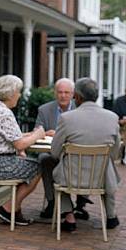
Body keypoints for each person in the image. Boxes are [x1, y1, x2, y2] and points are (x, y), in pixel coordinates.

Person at [51, 77, 120, 232]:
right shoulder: (112, 117)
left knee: (54, 171)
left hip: (71, 178)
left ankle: (69, 217)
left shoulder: (66, 118)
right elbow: (115, 154)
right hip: (100, 178)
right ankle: (111, 216)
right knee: (108, 167)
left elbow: (54, 152)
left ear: (78, 96)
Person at [0, 75, 45, 225]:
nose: (19, 95)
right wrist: (38, 134)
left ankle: (15, 209)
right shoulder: (4, 113)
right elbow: (20, 144)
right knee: (39, 168)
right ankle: (8, 209)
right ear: (11, 93)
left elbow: (13, 136)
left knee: (28, 166)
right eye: (18, 92)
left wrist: (34, 134)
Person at [36, 78, 91, 220]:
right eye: (60, 92)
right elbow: (38, 130)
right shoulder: (44, 110)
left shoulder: (82, 110)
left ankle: (81, 203)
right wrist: (44, 132)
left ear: (73, 94)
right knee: (44, 159)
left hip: (76, 153)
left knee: (87, 159)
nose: (63, 96)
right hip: (54, 152)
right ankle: (52, 202)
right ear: (55, 93)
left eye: (67, 92)